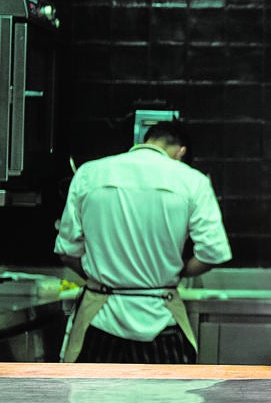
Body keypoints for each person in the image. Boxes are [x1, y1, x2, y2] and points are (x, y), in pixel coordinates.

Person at [55, 120, 232, 363]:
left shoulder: (89, 173)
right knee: (164, 400)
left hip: (100, 318)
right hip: (160, 320)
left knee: (92, 399)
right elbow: (213, 252)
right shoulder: (193, 181)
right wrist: (175, 275)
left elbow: (67, 252)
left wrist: (102, 280)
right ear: (181, 152)